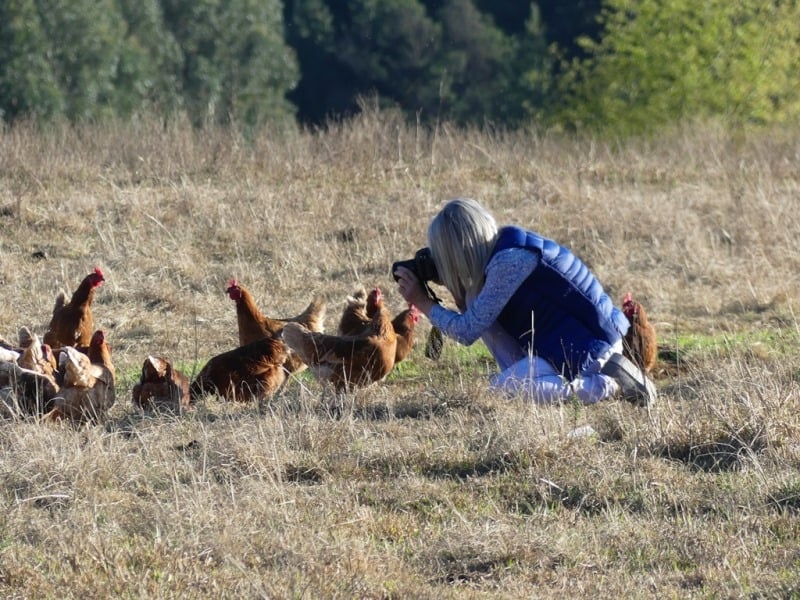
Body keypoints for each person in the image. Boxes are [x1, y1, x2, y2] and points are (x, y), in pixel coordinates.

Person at [393, 197, 656, 406]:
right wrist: (460, 295)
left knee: (501, 390)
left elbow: (467, 331)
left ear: (456, 250)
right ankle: (591, 382)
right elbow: (478, 320)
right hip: (569, 344)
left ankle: (609, 386)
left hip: (594, 348)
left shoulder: (509, 262)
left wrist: (422, 301)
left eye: (444, 255)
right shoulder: (504, 251)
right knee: (504, 383)